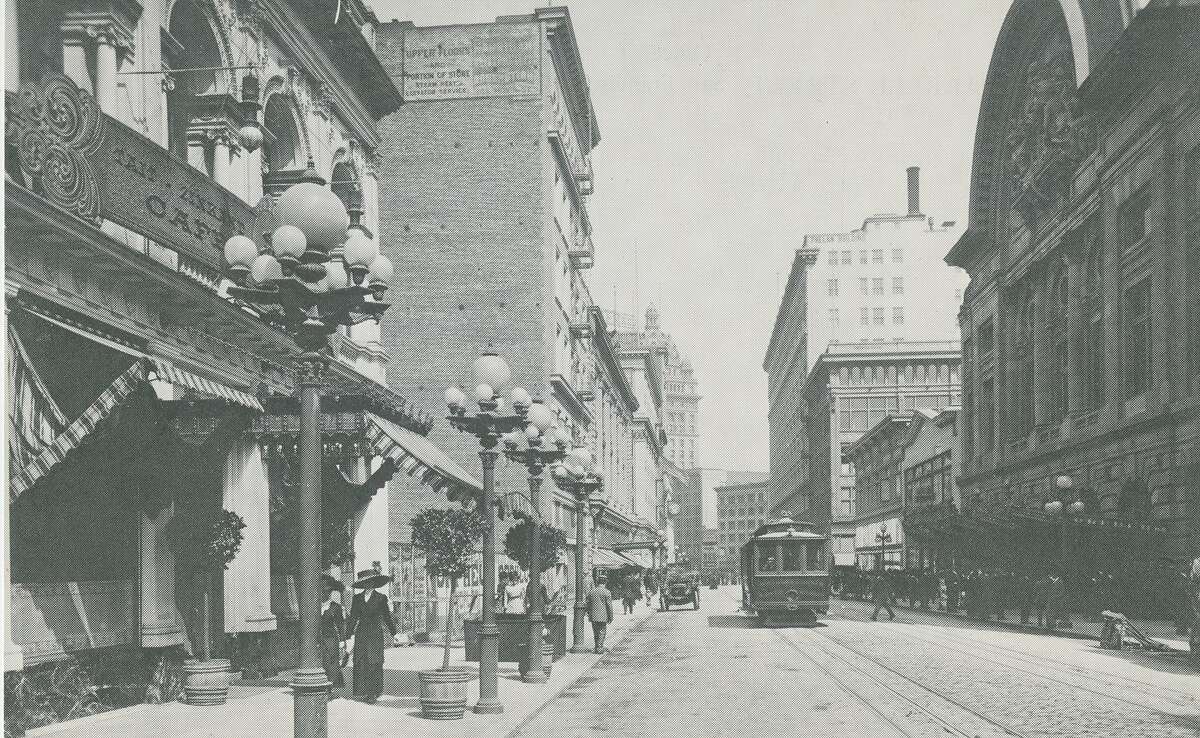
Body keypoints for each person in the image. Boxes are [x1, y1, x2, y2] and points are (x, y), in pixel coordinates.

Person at [346, 568, 400, 703]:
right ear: (362, 584)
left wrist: (394, 633)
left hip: (375, 634)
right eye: (365, 582)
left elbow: (387, 617)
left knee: (374, 662)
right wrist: (347, 635)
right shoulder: (357, 598)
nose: (368, 584)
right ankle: (363, 691)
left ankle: (373, 692)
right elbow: (353, 617)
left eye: (370, 582)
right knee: (361, 661)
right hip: (361, 633)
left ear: (374, 582)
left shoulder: (381, 598)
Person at [320, 574, 348, 695]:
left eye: (328, 591)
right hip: (318, 639)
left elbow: (340, 625)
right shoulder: (315, 607)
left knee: (331, 663)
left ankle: (329, 687)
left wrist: (342, 642)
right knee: (321, 663)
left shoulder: (336, 607)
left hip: (331, 639)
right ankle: (322, 685)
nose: (325, 594)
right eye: (323, 591)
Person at [586, 575, 615, 653]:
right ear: (605, 582)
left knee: (595, 632)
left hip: (593, 616)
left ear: (597, 582)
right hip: (603, 616)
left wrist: (589, 613)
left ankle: (596, 647)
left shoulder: (592, 592)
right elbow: (609, 606)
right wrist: (611, 617)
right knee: (602, 631)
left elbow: (588, 603)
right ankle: (599, 647)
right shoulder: (607, 592)